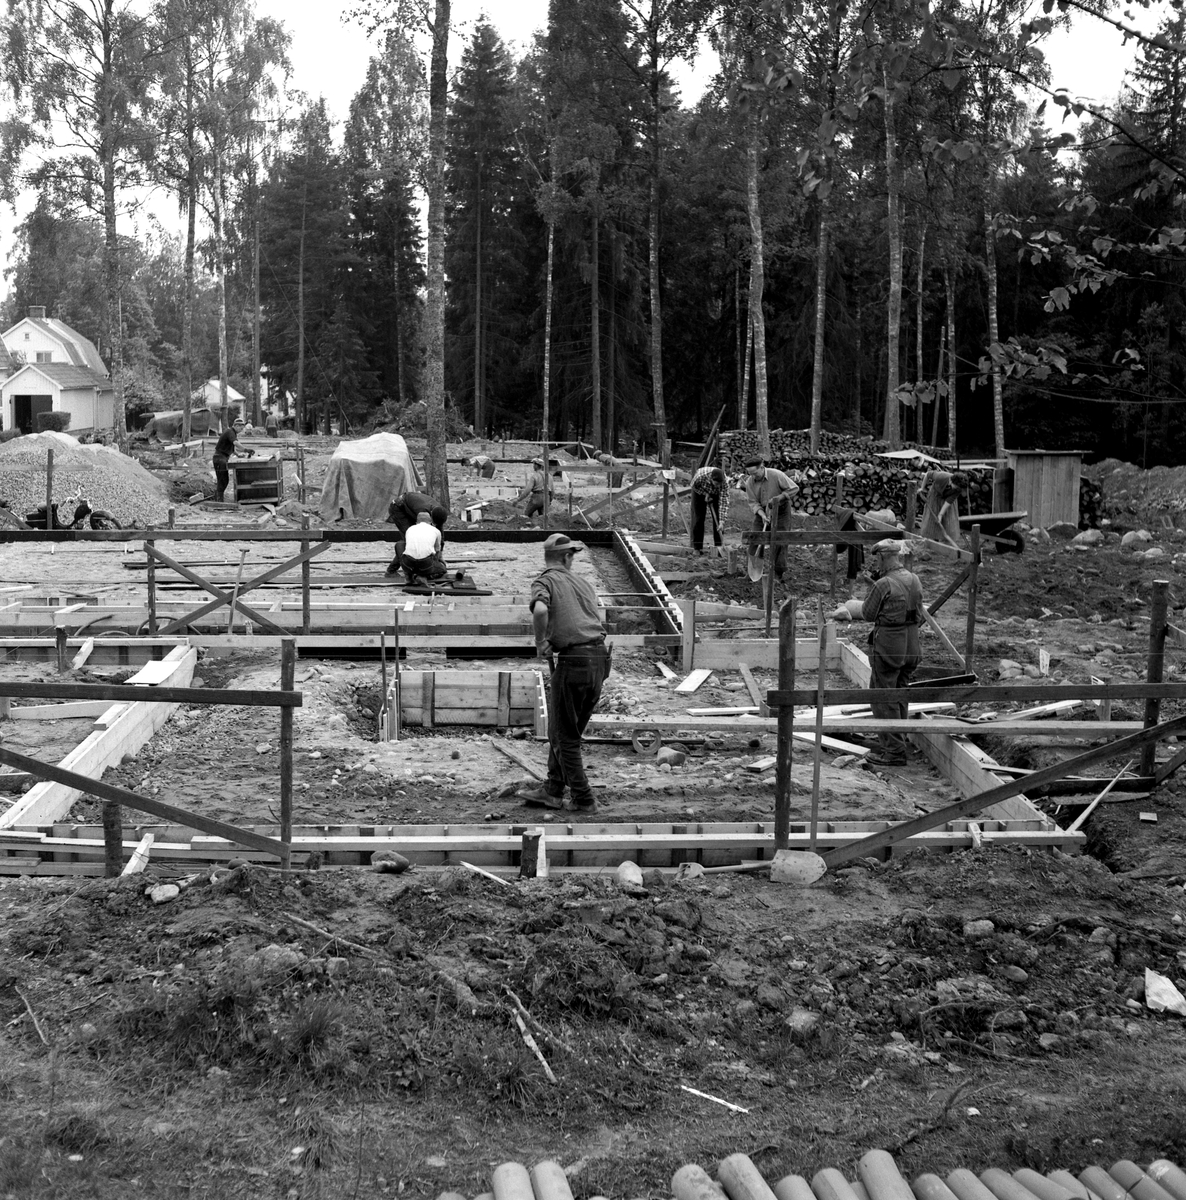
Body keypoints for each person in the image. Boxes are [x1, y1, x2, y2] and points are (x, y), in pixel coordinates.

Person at [520, 533, 611, 814]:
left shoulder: (544, 581)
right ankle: (553, 789)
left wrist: (541, 641)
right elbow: (596, 617)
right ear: (568, 557)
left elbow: (540, 610)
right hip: (599, 659)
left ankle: (583, 798)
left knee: (564, 736)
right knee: (565, 731)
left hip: (574, 661)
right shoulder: (583, 584)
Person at [828, 539, 923, 767]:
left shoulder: (883, 584)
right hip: (911, 644)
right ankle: (899, 743)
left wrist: (870, 593)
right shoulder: (914, 579)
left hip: (890, 644)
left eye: (877, 559)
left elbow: (869, 614)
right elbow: (918, 614)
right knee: (900, 693)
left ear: (881, 557)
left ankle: (893, 752)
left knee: (883, 697)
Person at [743, 457, 799, 578]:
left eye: (755, 473)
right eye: (750, 474)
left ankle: (778, 573)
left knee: (781, 539)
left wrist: (780, 497)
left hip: (781, 511)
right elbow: (753, 502)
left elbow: (794, 488)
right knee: (756, 538)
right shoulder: (749, 482)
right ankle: (752, 572)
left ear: (762, 468)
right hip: (763, 511)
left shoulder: (776, 475)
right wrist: (762, 515)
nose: (753, 476)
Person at [385, 491, 449, 575]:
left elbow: (439, 532)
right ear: (431, 517)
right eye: (434, 523)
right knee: (411, 540)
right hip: (399, 508)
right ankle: (391, 570)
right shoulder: (422, 511)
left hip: (410, 507)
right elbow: (418, 534)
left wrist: (440, 553)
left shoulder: (439, 511)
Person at [919, 470, 965, 549]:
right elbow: (927, 474)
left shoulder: (958, 489)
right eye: (956, 486)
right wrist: (922, 488)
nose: (956, 488)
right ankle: (930, 538)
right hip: (935, 494)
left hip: (947, 497)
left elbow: (948, 502)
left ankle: (944, 540)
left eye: (958, 488)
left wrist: (940, 514)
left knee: (947, 517)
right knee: (932, 517)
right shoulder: (941, 476)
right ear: (951, 481)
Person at [690, 465, 729, 554]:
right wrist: (705, 494)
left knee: (718, 521)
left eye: (720, 484)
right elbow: (693, 486)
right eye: (716, 484)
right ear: (711, 479)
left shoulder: (725, 483)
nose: (718, 486)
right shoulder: (700, 476)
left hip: (716, 494)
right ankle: (697, 547)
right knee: (699, 519)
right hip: (700, 491)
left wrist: (722, 521)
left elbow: (724, 501)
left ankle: (718, 549)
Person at [399, 512, 448, 583]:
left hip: (408, 563)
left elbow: (408, 546)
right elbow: (437, 552)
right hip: (425, 564)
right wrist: (439, 563)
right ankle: (422, 576)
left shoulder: (409, 529)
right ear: (431, 522)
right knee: (442, 570)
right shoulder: (436, 531)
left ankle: (408, 575)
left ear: (416, 522)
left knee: (399, 544)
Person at [212, 417, 252, 502]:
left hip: (221, 458)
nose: (241, 430)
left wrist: (238, 455)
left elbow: (232, 447)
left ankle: (219, 498)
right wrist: (246, 449)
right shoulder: (230, 432)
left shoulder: (231, 432)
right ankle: (219, 500)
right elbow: (235, 443)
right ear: (236, 426)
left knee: (223, 480)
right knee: (223, 480)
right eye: (241, 428)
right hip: (219, 458)